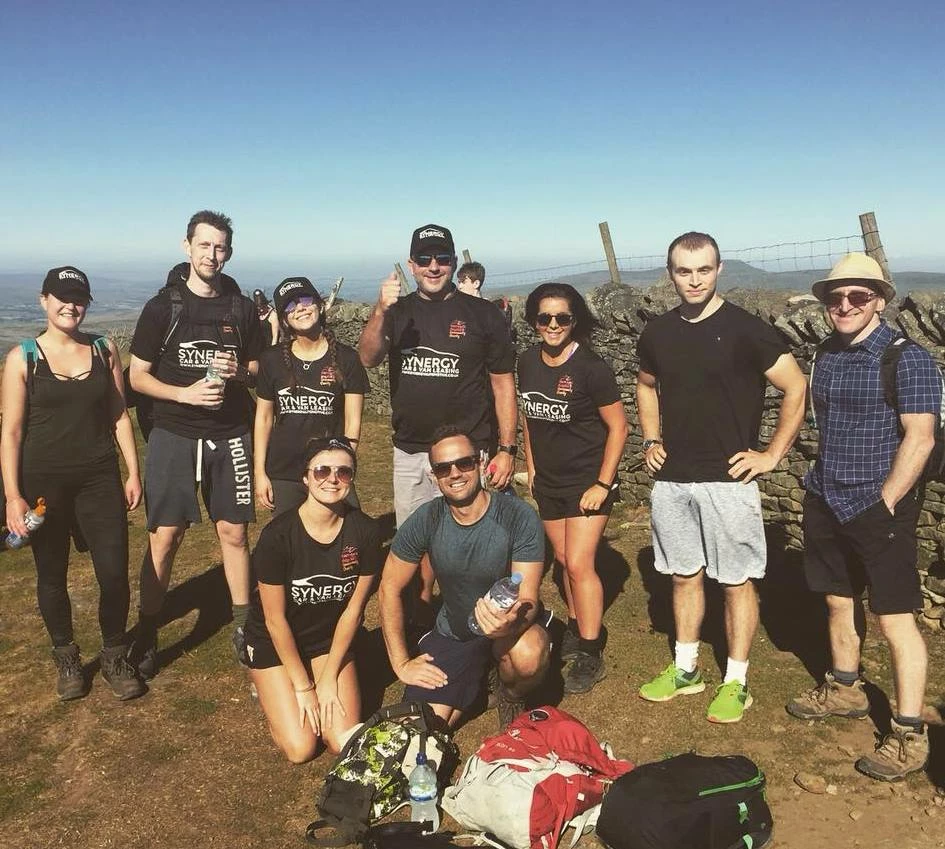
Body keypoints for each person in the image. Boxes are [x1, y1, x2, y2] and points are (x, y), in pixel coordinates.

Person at [635, 232, 806, 723]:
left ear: (719, 269)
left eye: (703, 270)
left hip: (728, 480)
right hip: (673, 479)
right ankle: (686, 669)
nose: (694, 280)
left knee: (735, 582)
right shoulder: (658, 333)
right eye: (684, 271)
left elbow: (796, 387)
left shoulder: (747, 330)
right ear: (670, 273)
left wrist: (771, 454)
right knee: (684, 575)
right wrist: (650, 440)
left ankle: (737, 681)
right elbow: (645, 386)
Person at [785, 253, 940, 780]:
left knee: (894, 617)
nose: (845, 305)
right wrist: (819, 488)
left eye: (859, 296)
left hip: (878, 505)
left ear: (880, 299)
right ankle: (846, 688)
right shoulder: (826, 353)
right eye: (836, 297)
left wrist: (889, 500)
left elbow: (920, 437)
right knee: (837, 598)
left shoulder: (908, 359)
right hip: (827, 497)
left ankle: (909, 732)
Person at [128, 210, 264, 678]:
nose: (212, 254)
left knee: (234, 532)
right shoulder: (162, 307)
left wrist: (239, 374)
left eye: (220, 247)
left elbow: (258, 368)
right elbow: (137, 377)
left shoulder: (241, 308)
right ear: (187, 247)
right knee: (166, 537)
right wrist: (182, 393)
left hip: (229, 433)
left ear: (229, 251)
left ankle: (245, 625)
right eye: (204, 245)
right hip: (174, 431)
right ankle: (147, 630)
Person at [1, 266, 145, 700]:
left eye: (79, 298)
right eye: (62, 296)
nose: (71, 305)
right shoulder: (22, 357)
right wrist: (12, 497)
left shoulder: (104, 350)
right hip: (43, 484)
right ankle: (66, 658)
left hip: (99, 477)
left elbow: (119, 414)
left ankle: (114, 656)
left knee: (114, 574)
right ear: (44, 300)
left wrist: (133, 471)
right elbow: (10, 432)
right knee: (51, 574)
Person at [359, 225, 517, 604]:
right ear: (411, 265)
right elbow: (368, 356)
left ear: (452, 262)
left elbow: (502, 385)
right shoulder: (397, 313)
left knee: (476, 537)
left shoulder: (483, 315)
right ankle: (424, 612)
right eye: (425, 259)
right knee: (415, 539)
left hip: (470, 450)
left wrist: (507, 449)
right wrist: (380, 309)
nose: (434, 267)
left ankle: (481, 618)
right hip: (412, 450)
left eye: (442, 258)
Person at [378, 425, 550, 728]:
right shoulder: (427, 518)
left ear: (481, 463)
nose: (455, 473)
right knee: (423, 725)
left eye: (464, 463)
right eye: (443, 468)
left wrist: (510, 623)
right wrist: (400, 663)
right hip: (455, 632)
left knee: (529, 655)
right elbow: (388, 587)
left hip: (507, 628)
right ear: (434, 476)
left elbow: (528, 598)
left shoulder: (518, 516)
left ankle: (510, 694)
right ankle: (482, 682)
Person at [518, 283, 628, 694]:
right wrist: (529, 466)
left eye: (562, 318)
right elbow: (529, 417)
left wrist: (603, 483)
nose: (553, 325)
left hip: (587, 482)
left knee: (580, 564)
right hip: (548, 481)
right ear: (533, 321)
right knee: (563, 559)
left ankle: (590, 650)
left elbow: (619, 426)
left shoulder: (591, 368)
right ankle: (580, 626)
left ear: (574, 320)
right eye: (544, 318)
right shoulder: (527, 361)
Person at [245, 437, 379, 762]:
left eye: (343, 472)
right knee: (301, 748)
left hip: (328, 641)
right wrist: (305, 688)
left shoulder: (366, 532)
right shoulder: (277, 537)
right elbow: (274, 620)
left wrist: (330, 676)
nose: (332, 479)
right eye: (322, 470)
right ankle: (265, 680)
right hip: (274, 641)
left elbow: (354, 611)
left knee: (340, 741)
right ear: (305, 478)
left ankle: (309, 676)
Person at [254, 277, 369, 516]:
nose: (300, 308)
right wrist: (259, 472)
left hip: (331, 468)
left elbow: (353, 421)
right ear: (284, 319)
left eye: (305, 299)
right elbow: (264, 419)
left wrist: (345, 464)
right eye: (289, 305)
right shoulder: (271, 360)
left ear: (319, 304)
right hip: (284, 470)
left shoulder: (347, 359)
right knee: (289, 542)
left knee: (346, 536)